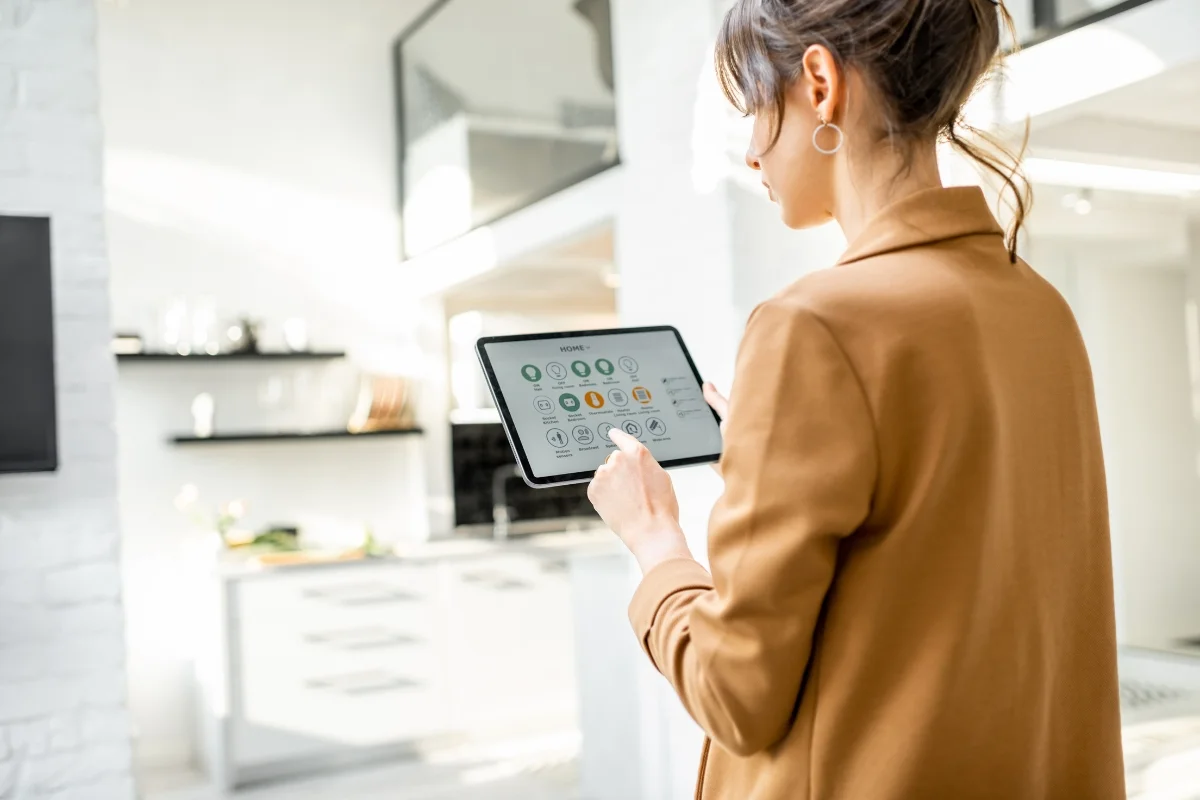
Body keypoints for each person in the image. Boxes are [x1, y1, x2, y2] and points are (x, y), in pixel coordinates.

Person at [586, 0, 1126, 798]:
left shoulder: (812, 328)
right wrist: (778, 452)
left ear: (818, 83)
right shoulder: (1042, 309)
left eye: (753, 111)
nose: (751, 156)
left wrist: (657, 541)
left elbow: (737, 697)